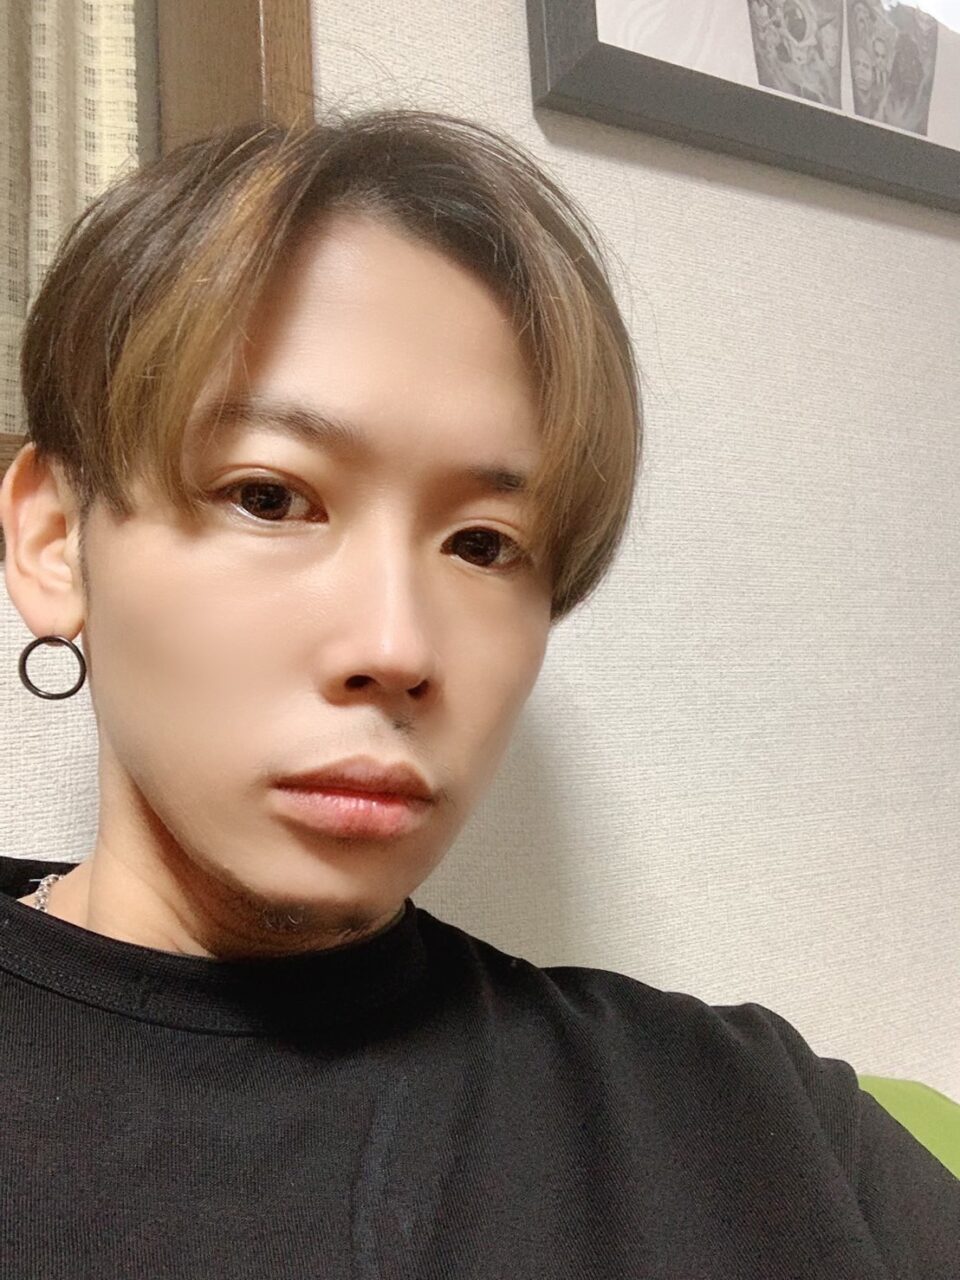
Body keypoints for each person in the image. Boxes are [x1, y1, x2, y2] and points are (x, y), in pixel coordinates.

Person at [0, 108, 956, 1279]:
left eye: (484, 543)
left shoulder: (763, 1123)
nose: (398, 645)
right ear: (54, 540)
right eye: (270, 496)